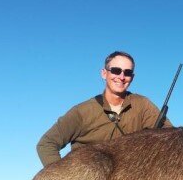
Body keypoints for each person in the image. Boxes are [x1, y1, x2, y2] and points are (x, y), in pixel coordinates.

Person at [37, 51, 172, 166]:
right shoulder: (82, 111)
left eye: (128, 72)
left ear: (132, 77)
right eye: (116, 70)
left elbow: (170, 138)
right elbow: (46, 144)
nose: (121, 77)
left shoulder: (143, 105)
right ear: (104, 73)